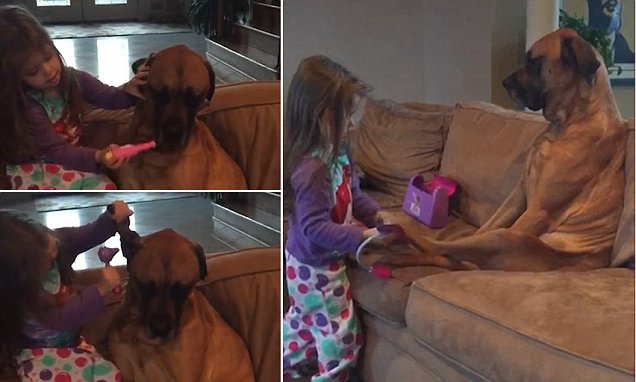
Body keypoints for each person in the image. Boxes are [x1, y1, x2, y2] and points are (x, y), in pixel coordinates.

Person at [283, 55, 387, 382]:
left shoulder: (339, 152)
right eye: (346, 115)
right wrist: (363, 236)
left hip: (308, 266)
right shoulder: (311, 169)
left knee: (303, 326)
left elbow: (353, 194)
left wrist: (378, 214)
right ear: (321, 116)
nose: (352, 124)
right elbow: (314, 228)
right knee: (341, 340)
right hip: (316, 269)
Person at [0, 5, 148, 190]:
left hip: (69, 157)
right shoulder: (29, 106)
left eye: (48, 57)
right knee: (105, 186)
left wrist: (131, 91)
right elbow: (57, 152)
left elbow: (110, 97)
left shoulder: (75, 79)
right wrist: (98, 157)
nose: (48, 71)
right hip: (38, 167)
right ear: (16, 78)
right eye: (33, 71)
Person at [0, 201, 132, 381]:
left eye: (46, 235)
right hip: (39, 354)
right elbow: (61, 318)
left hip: (73, 340)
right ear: (23, 272)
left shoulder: (52, 242)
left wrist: (110, 217)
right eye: (45, 256)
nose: (53, 245)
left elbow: (85, 234)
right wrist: (100, 289)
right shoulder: (28, 294)